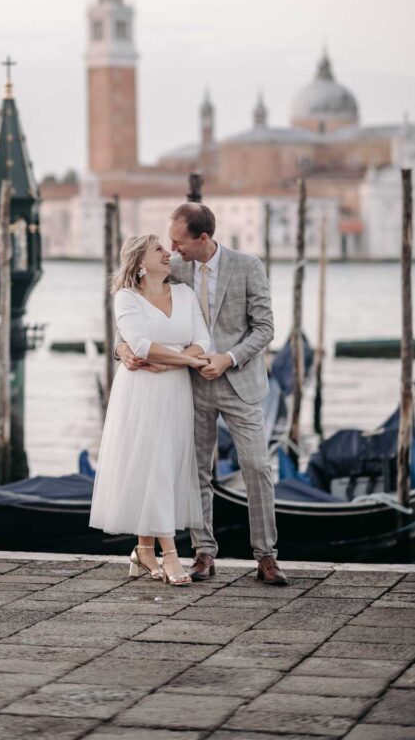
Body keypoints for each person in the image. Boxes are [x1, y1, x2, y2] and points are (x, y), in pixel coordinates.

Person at [116, 203, 288, 586]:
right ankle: (203, 553)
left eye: (179, 242)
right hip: (189, 386)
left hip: (239, 382)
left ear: (203, 238)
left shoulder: (248, 266)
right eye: (170, 243)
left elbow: (264, 329)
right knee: (195, 472)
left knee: (257, 467)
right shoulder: (173, 268)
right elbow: (135, 311)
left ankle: (266, 557)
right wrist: (120, 349)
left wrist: (228, 359)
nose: (173, 249)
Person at [89, 233, 211, 585]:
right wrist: (185, 358)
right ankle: (170, 556)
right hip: (141, 390)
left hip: (175, 388)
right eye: (159, 249)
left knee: (164, 466)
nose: (168, 252)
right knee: (152, 464)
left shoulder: (185, 294)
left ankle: (144, 550)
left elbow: (203, 341)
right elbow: (139, 345)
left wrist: (177, 363)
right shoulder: (126, 297)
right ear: (140, 261)